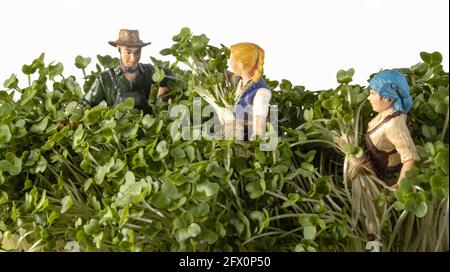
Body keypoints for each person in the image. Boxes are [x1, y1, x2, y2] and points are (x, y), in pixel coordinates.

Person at [80, 29, 173, 114]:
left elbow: (167, 73)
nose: (133, 58)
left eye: (137, 52)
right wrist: (75, 112)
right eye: (128, 52)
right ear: (119, 48)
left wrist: (162, 95)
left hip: (147, 128)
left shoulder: (149, 72)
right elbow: (86, 103)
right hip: (117, 130)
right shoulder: (105, 79)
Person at [365, 69, 420, 189]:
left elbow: (409, 156)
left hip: (386, 173)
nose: (369, 98)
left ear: (388, 98)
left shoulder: (394, 123)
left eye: (373, 93)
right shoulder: (384, 113)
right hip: (372, 163)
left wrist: (400, 185)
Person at [224, 42, 272, 140]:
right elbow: (227, 75)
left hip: (244, 143)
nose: (229, 64)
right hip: (229, 136)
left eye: (231, 60)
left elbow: (260, 123)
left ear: (240, 64)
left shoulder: (261, 92)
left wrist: (254, 146)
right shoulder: (241, 81)